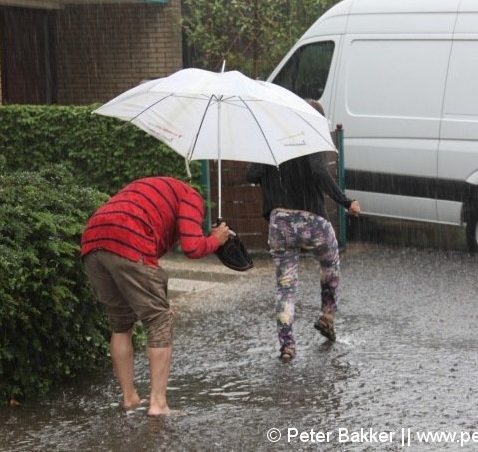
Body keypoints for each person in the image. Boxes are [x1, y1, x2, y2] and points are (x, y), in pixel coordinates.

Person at [80, 176, 230, 415]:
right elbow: (192, 248)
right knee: (159, 320)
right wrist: (216, 239)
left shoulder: (151, 189)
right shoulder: (191, 197)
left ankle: (129, 398)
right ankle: (158, 404)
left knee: (120, 325)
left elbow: (145, 269)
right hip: (128, 238)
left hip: (92, 241)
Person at [245, 99, 361, 360]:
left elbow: (250, 174)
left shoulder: (273, 140)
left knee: (285, 287)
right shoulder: (308, 136)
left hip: (280, 223)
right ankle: (327, 316)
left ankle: (287, 346)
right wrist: (345, 201)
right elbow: (319, 171)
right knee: (330, 261)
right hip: (312, 220)